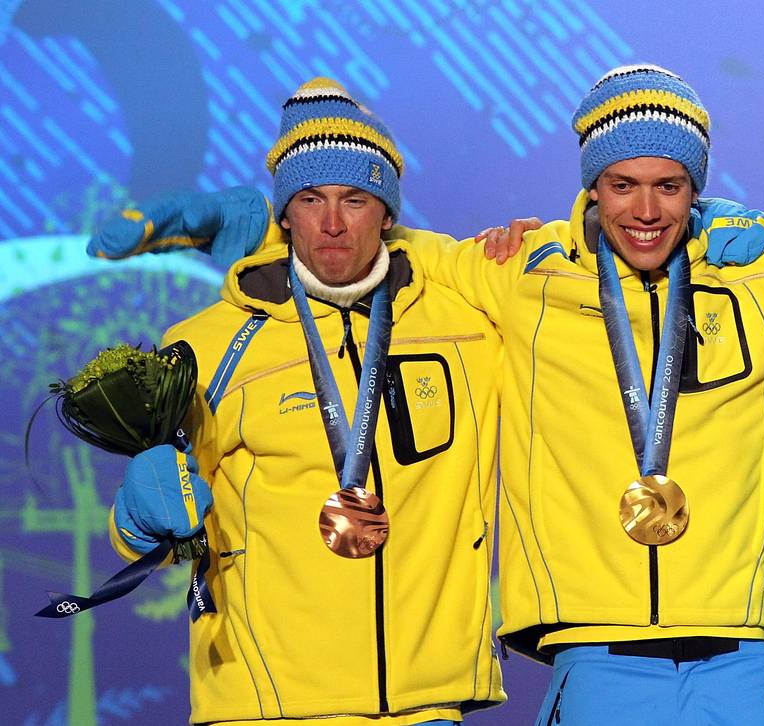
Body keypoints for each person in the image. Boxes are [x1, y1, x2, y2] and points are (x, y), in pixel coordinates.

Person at [90, 65, 764, 726]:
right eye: (622, 183)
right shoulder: (518, 272)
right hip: (595, 650)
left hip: (744, 652)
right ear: (587, 187)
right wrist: (246, 227)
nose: (646, 208)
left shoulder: (762, 269)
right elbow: (363, 254)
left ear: (699, 188)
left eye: (671, 184)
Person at [104, 78, 505, 725]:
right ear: (284, 214)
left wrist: (705, 231)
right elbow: (143, 528)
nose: (334, 223)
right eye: (311, 198)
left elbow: (594, 270)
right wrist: (138, 513)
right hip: (266, 706)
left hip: (426, 703)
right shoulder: (210, 345)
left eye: (356, 198)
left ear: (390, 212)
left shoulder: (469, 327)